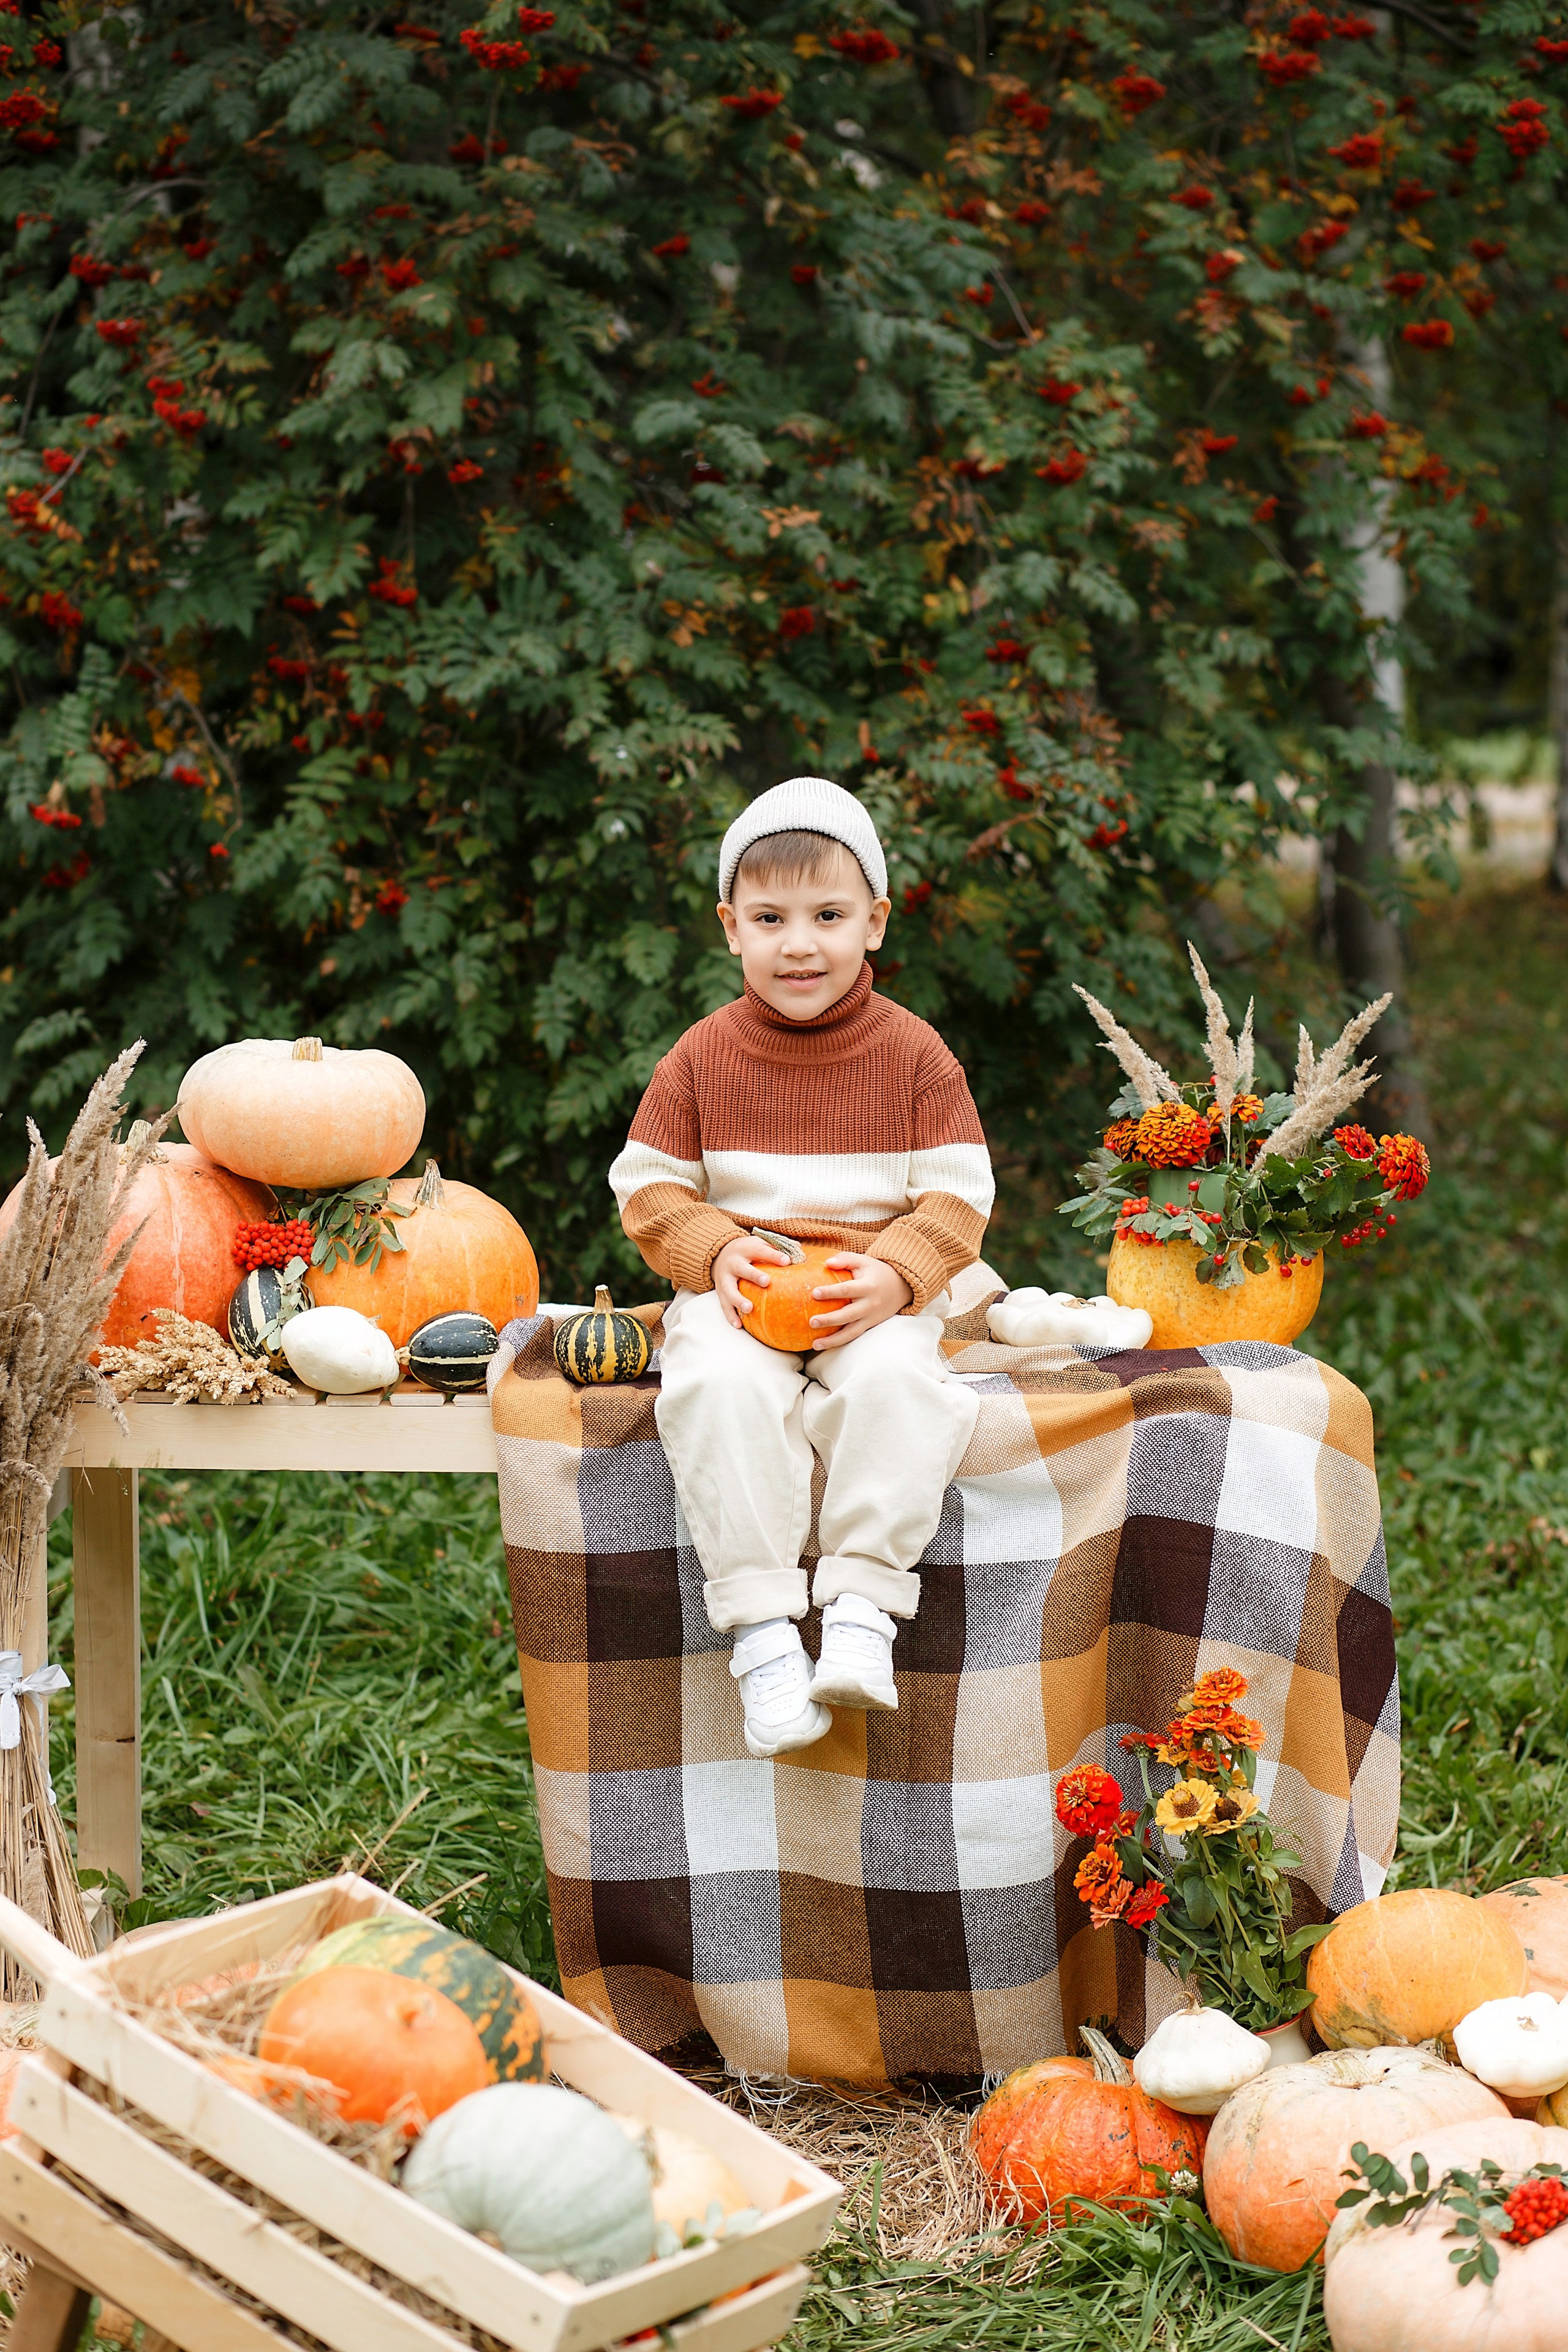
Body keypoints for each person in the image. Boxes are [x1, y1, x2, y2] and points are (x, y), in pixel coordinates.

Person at [608, 777, 993, 1757]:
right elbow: (648, 1190)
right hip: (741, 1295)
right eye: (772, 918)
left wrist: (902, 1275)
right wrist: (714, 1249)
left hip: (867, 1295)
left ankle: (863, 1606)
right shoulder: (701, 1058)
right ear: (732, 928)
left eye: (828, 915)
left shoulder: (916, 1057)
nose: (800, 943)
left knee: (906, 1384)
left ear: (875, 923)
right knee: (715, 1389)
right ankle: (764, 1635)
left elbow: (958, 1196)